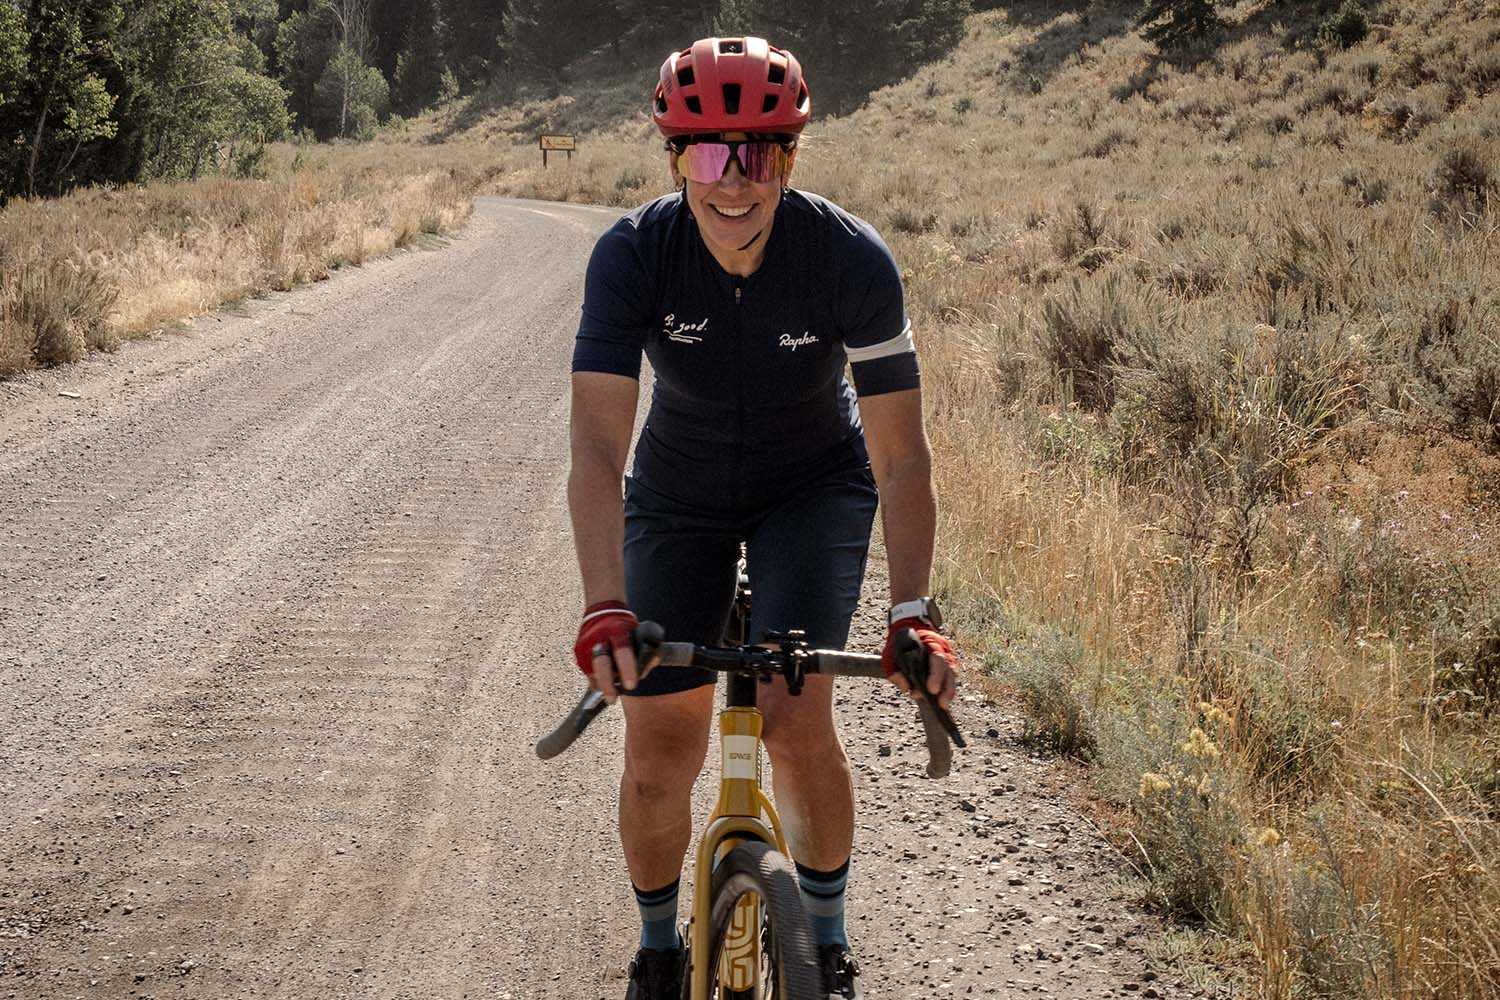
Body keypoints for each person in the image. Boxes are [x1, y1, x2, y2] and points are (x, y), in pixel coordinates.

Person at [567, 35, 959, 1000]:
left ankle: (823, 941)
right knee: (662, 746)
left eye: (761, 154)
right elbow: (596, 453)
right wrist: (603, 603)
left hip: (811, 489)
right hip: (678, 491)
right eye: (709, 155)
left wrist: (912, 609)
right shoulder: (631, 255)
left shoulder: (850, 258)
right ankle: (659, 952)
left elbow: (901, 455)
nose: (734, 182)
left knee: (795, 718)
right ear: (673, 159)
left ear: (791, 157)